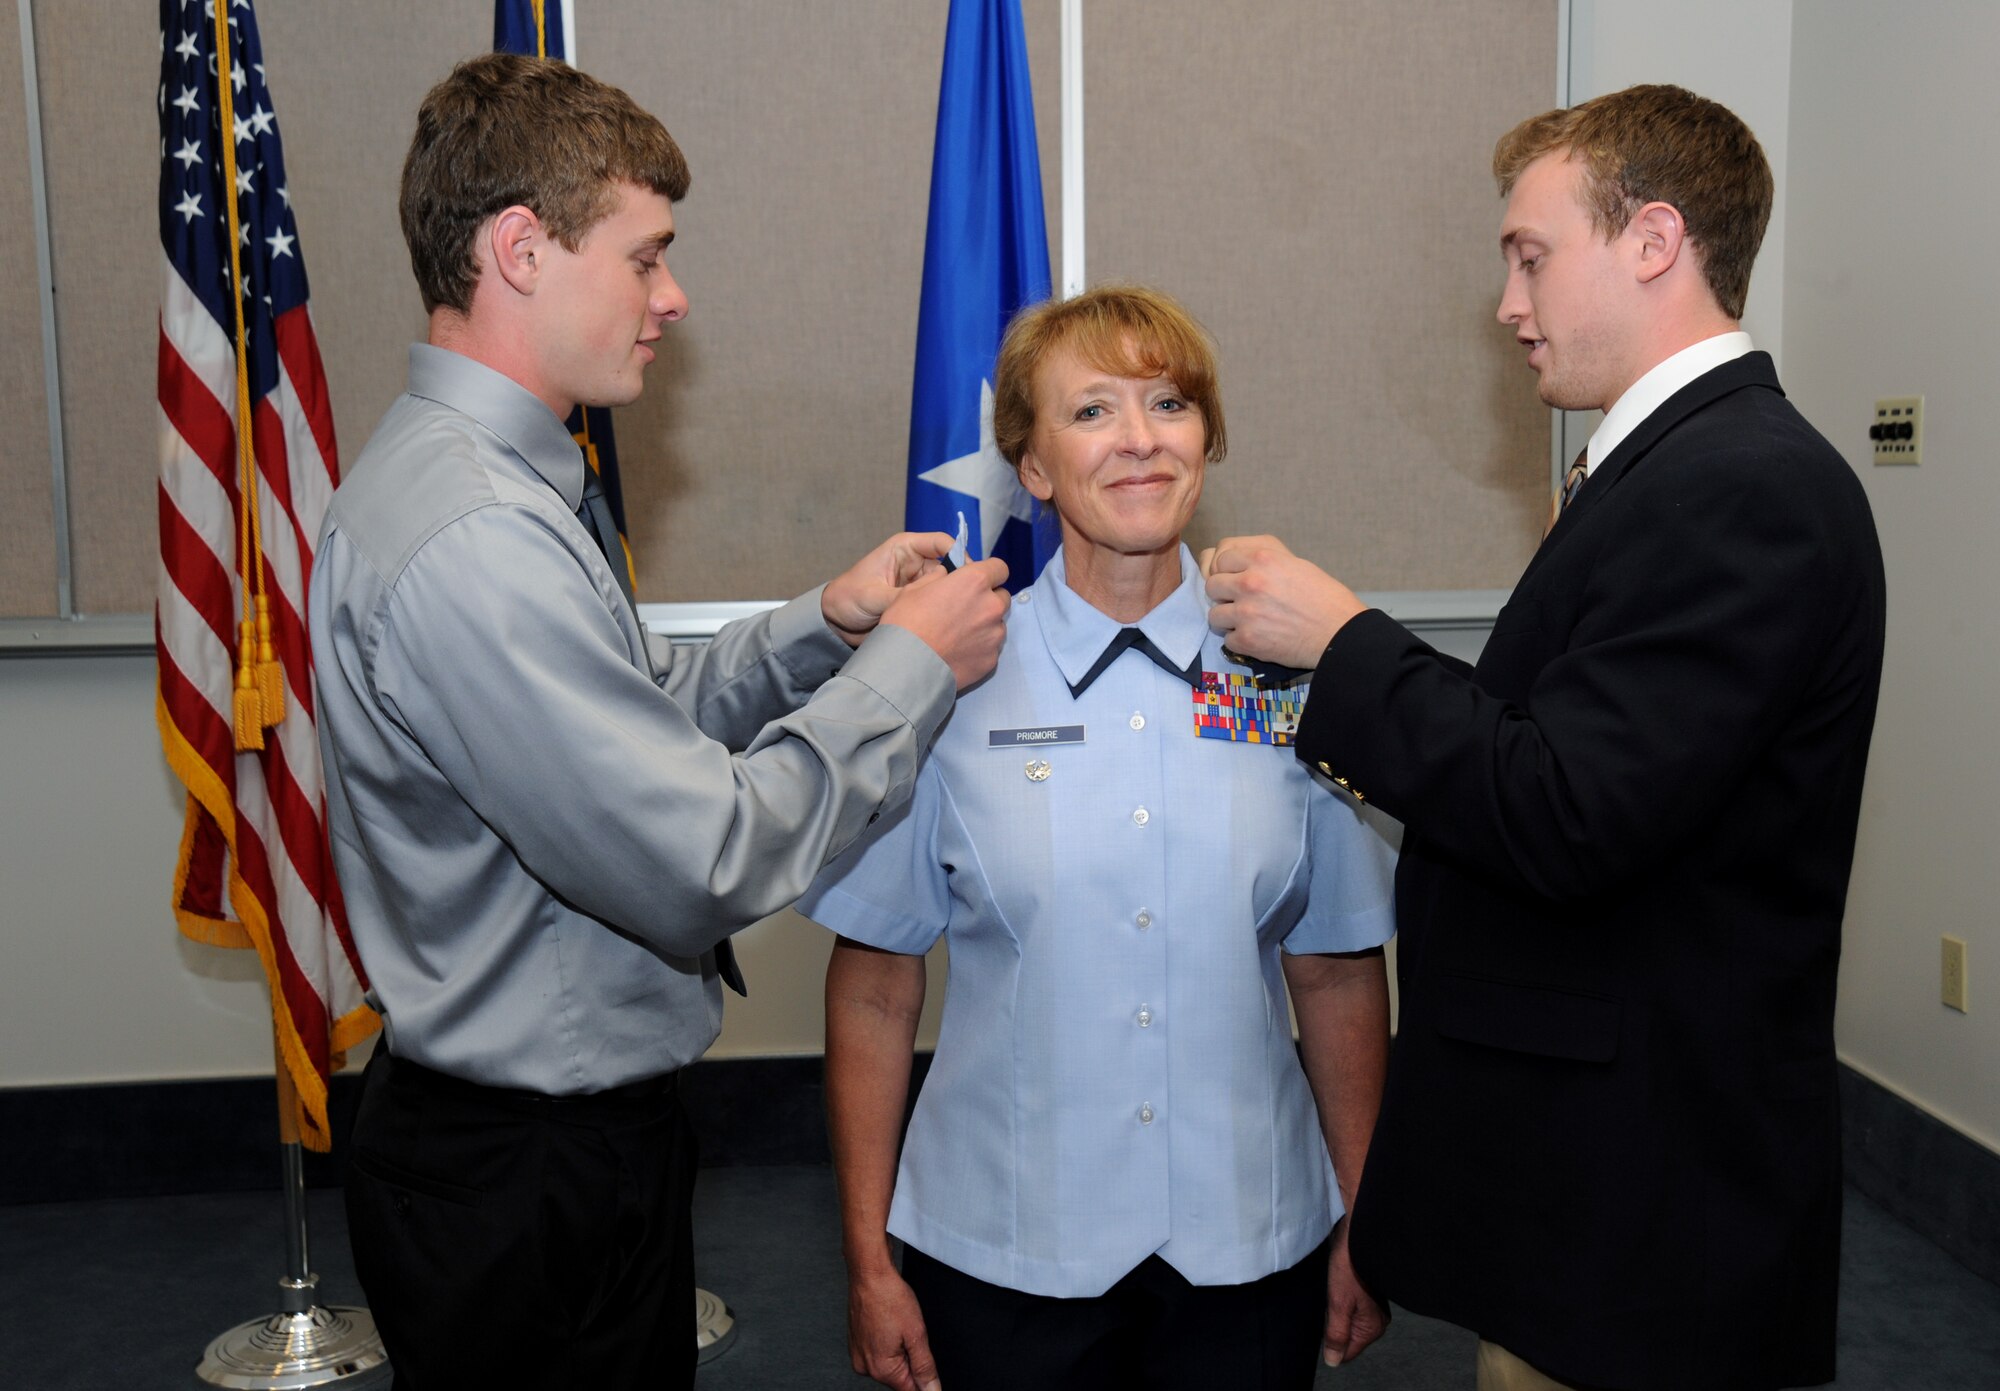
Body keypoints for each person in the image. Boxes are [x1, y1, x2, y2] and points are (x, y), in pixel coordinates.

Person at [309, 52, 1010, 1390]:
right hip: (528, 1173)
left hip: (545, 1146)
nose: (672, 298)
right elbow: (701, 856)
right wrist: (908, 674)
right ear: (521, 248)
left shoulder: (495, 476)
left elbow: (630, 723)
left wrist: (827, 626)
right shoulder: (473, 534)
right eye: (646, 256)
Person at [1205, 85, 1886, 1391]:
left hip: (1648, 1192)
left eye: (1530, 254)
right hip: (1590, 1170)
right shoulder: (1665, 470)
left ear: (1654, 240)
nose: (1506, 304)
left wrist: (1344, 640)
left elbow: (1568, 804)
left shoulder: (1741, 486)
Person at [799, 286, 1400, 1391]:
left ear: (1204, 440)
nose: (1137, 439)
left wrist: (1365, 1213)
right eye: (1090, 412)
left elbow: (1335, 969)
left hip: (1247, 1243)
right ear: (1029, 467)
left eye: (1167, 403)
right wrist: (865, 1255)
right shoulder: (944, 669)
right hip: (1005, 1247)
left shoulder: (1290, 673)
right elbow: (876, 983)